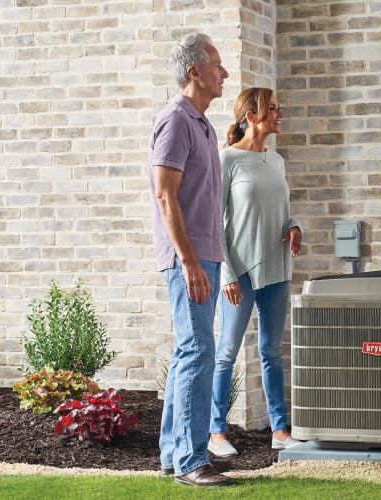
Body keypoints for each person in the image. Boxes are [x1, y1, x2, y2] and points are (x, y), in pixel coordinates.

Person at [148, 32, 233, 488]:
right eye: (218, 65)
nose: (226, 73)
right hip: (190, 258)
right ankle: (190, 461)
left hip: (205, 254)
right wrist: (189, 261)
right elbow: (166, 195)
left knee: (190, 353)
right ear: (194, 72)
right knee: (197, 351)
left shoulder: (202, 124)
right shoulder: (177, 121)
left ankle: (172, 453)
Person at [207, 87, 304, 458]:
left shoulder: (276, 161)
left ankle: (280, 430)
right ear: (251, 116)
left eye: (279, 108)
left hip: (277, 267)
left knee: (271, 352)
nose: (280, 114)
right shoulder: (227, 160)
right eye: (273, 110)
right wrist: (227, 274)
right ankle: (216, 433)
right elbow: (215, 222)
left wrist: (295, 226)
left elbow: (283, 208)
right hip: (241, 271)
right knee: (227, 351)